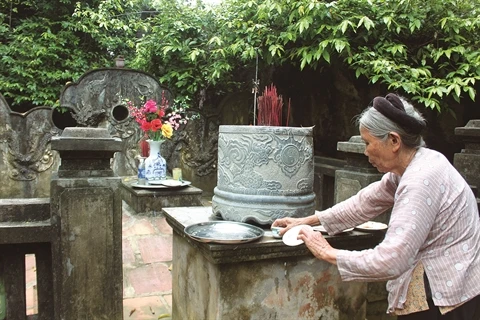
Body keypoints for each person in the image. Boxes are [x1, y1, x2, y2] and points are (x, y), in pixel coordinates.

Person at [272, 93, 480, 319]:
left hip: (446, 298)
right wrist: (308, 220)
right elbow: (365, 203)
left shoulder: (420, 181)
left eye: (367, 142)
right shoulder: (415, 164)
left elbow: (392, 260)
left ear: (394, 141)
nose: (365, 151)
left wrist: (328, 252)